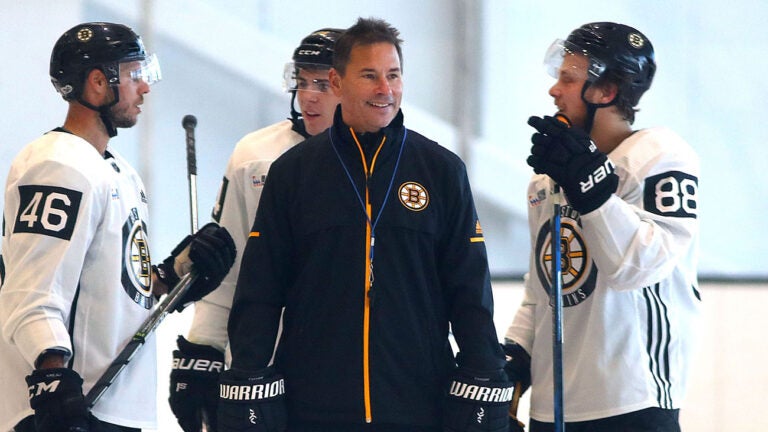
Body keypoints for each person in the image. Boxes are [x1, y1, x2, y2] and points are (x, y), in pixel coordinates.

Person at [217, 17, 514, 432]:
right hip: (313, 404)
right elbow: (261, 288)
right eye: (370, 76)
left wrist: (486, 372)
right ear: (338, 83)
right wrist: (246, 375)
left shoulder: (442, 170)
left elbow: (469, 289)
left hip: (419, 403)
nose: (385, 89)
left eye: (393, 75)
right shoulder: (293, 173)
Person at [0, 22, 235, 432]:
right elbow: (32, 290)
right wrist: (52, 376)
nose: (145, 87)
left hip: (110, 405)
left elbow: (120, 282)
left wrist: (174, 274)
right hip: (65, 409)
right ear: (97, 83)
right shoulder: (59, 164)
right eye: (134, 74)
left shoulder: (115, 170)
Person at [502, 22, 701, 432]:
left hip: (633, 401)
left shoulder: (659, 157)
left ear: (606, 92)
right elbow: (543, 288)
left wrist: (591, 189)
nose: (554, 90)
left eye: (568, 79)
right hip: (553, 408)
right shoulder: (547, 180)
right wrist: (515, 359)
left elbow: (638, 267)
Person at [166, 28, 343, 432]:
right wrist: (201, 350)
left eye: (322, 83)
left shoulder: (384, 158)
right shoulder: (255, 156)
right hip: (261, 369)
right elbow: (226, 263)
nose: (308, 95)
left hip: (354, 368)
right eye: (301, 82)